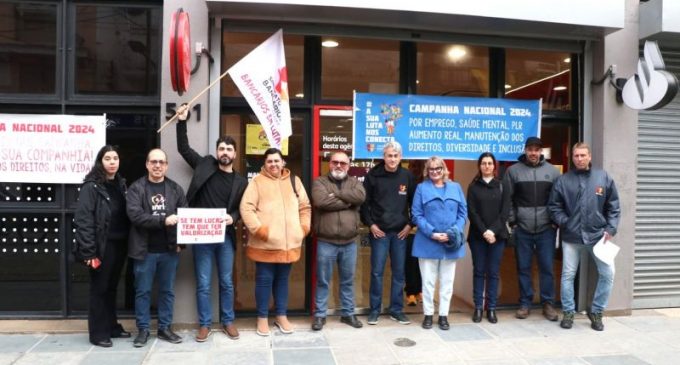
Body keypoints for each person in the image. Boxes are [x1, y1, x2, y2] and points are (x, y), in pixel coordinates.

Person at [175, 107, 247, 342]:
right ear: (216, 152)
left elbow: (242, 208)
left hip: (224, 237)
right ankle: (205, 324)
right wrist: (181, 122)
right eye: (221, 148)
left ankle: (227, 321)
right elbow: (183, 149)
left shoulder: (240, 181)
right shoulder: (205, 164)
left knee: (226, 282)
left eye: (229, 149)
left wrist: (233, 217)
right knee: (204, 283)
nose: (224, 152)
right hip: (201, 237)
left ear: (235, 154)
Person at [548, 142, 620, 331]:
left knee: (608, 274)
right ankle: (569, 312)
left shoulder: (602, 177)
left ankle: (596, 312)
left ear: (589, 156)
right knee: (568, 275)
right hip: (571, 237)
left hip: (598, 236)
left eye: (582, 155)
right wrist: (565, 222)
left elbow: (613, 206)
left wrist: (611, 229)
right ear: (572, 158)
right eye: (576, 156)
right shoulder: (563, 180)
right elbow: (554, 207)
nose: (579, 159)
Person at [240, 148, 311, 336]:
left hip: (288, 245)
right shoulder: (256, 182)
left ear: (283, 163)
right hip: (265, 244)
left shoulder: (295, 181)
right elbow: (246, 208)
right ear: (264, 164)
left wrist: (303, 228)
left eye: (276, 161)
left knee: (282, 281)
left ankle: (281, 315)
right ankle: (262, 318)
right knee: (264, 282)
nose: (273, 164)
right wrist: (260, 231)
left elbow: (305, 207)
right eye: (269, 161)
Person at [126, 149, 187, 347]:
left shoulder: (175, 189)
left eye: (161, 162)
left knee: (167, 291)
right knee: (142, 291)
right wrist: (163, 220)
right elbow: (135, 216)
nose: (157, 165)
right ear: (147, 164)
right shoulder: (136, 188)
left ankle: (164, 328)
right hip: (144, 251)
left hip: (169, 250)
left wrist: (180, 243)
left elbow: (184, 218)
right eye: (154, 162)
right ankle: (143, 330)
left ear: (166, 166)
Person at [72, 145, 130, 347]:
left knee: (112, 288)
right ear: (100, 162)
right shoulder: (92, 186)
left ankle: (111, 326)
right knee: (99, 289)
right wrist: (89, 251)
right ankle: (98, 333)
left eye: (115, 158)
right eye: (108, 158)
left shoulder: (120, 184)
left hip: (119, 244)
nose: (112, 162)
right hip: (101, 247)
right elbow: (83, 219)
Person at [503, 136, 560, 321]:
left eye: (536, 150)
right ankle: (525, 303)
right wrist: (513, 222)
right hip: (523, 229)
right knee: (523, 267)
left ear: (541, 152)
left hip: (546, 229)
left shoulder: (552, 172)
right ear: (525, 150)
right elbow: (508, 200)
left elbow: (558, 200)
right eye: (530, 149)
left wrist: (554, 222)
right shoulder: (513, 171)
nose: (533, 153)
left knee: (547, 268)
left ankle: (548, 304)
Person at [361, 141, 416, 325]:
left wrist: (409, 225)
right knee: (377, 272)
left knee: (399, 273)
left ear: (400, 157)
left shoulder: (407, 176)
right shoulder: (373, 175)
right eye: (389, 155)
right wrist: (371, 225)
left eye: (395, 155)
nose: (392, 159)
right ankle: (375, 310)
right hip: (380, 233)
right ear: (383, 156)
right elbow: (364, 204)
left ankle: (396, 310)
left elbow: (415, 204)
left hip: (400, 233)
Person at [311, 151, 366, 331]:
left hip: (350, 242)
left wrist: (335, 195)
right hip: (326, 241)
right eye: (335, 162)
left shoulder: (355, 183)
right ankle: (320, 315)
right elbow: (320, 201)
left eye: (343, 163)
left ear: (348, 166)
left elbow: (360, 198)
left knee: (348, 280)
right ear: (330, 163)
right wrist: (349, 200)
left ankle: (348, 314)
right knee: (323, 280)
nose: (339, 166)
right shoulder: (320, 182)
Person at [411, 156, 467, 330]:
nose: (435, 172)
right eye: (431, 169)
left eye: (438, 168)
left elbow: (463, 213)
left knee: (447, 282)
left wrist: (453, 232)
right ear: (427, 171)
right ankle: (428, 314)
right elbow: (416, 214)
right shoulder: (421, 188)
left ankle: (443, 315)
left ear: (444, 169)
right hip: (428, 242)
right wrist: (433, 233)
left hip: (450, 243)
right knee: (427, 282)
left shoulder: (456, 188)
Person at [467, 152, 511, 324]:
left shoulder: (502, 186)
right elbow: (472, 212)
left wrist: (492, 231)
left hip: (497, 237)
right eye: (484, 163)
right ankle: (478, 307)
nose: (487, 166)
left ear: (495, 166)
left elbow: (505, 212)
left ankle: (491, 308)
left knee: (493, 273)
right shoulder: (473, 186)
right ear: (479, 166)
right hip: (478, 237)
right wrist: (484, 231)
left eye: (490, 163)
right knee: (478, 272)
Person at [405, 160, 424, 307]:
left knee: (422, 263)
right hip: (409, 230)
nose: (414, 169)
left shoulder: (426, 185)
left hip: (425, 231)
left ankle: (420, 291)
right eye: (412, 166)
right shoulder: (406, 183)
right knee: (410, 263)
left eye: (417, 166)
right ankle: (410, 292)